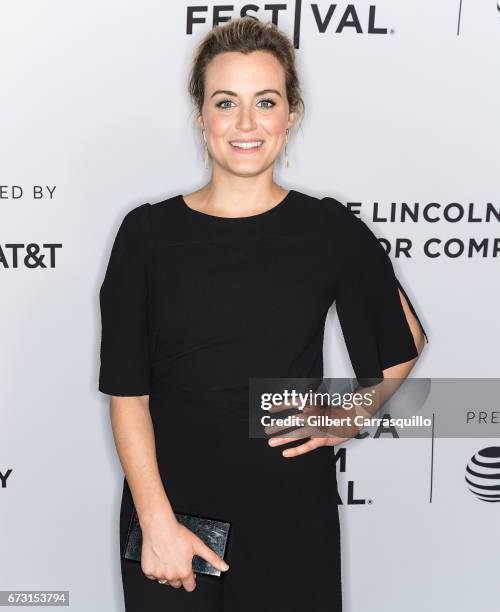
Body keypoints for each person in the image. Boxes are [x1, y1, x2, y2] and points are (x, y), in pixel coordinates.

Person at [98, 16, 429, 612]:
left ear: (290, 115)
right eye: (227, 103)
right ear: (201, 117)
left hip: (290, 518)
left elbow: (401, 344)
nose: (246, 124)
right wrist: (156, 523)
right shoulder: (146, 235)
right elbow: (128, 395)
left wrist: (352, 412)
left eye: (266, 102)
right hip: (172, 518)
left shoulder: (327, 230)